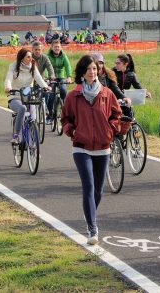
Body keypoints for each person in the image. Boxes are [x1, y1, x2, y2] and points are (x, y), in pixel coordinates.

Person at [61, 54, 122, 245]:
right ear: (82, 72)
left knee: (99, 190)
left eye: (94, 69)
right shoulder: (73, 95)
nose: (92, 72)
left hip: (103, 147)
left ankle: (89, 213)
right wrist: (72, 131)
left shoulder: (106, 93)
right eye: (88, 69)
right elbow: (65, 119)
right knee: (88, 185)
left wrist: (111, 130)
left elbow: (116, 115)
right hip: (81, 147)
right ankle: (92, 228)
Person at [4, 48, 49, 145]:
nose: (31, 58)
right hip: (15, 96)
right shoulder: (13, 66)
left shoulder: (33, 66)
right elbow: (8, 78)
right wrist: (8, 87)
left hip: (28, 96)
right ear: (22, 58)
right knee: (22, 108)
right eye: (28, 57)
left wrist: (46, 87)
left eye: (31, 56)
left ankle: (32, 142)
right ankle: (16, 136)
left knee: (33, 118)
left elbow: (38, 78)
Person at [47, 39, 73, 121]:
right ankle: (50, 114)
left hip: (61, 77)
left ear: (61, 48)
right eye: (55, 47)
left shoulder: (63, 56)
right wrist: (47, 78)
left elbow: (68, 66)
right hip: (51, 77)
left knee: (63, 90)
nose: (57, 48)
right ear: (52, 48)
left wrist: (69, 77)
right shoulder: (48, 56)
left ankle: (65, 109)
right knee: (50, 96)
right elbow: (45, 68)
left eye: (58, 47)